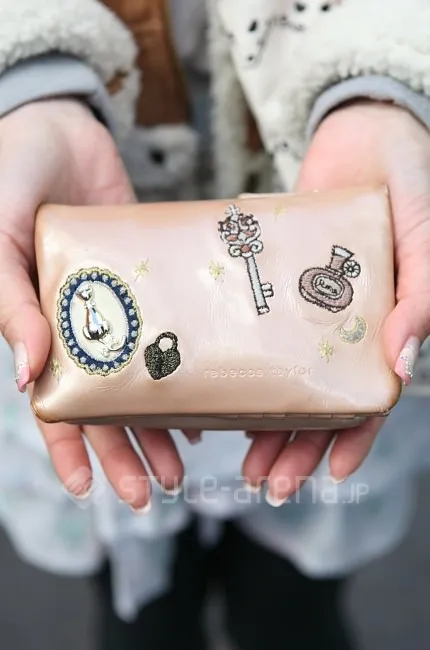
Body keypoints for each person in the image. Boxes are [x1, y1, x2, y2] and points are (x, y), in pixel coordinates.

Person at [1, 0, 430, 648]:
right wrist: (25, 84)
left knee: (286, 609)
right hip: (89, 204)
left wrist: (388, 88)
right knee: (150, 619)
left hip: (319, 201)